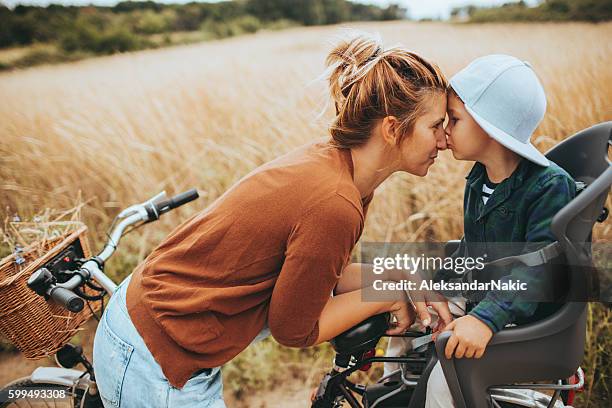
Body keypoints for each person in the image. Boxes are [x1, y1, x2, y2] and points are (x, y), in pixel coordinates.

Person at [92, 31, 452, 408]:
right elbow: (295, 328)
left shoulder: (341, 172)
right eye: (434, 126)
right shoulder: (334, 201)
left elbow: (318, 277)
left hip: (153, 324)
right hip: (157, 354)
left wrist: (400, 278)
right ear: (393, 129)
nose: (443, 141)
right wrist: (384, 298)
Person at [423, 55, 575, 408]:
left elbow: (539, 270)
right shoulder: (479, 180)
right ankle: (393, 391)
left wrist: (485, 318)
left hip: (523, 314)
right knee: (415, 306)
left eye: (455, 120)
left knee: (444, 382)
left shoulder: (548, 187)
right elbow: (472, 249)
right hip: (485, 293)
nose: (445, 132)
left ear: (489, 125)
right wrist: (441, 286)